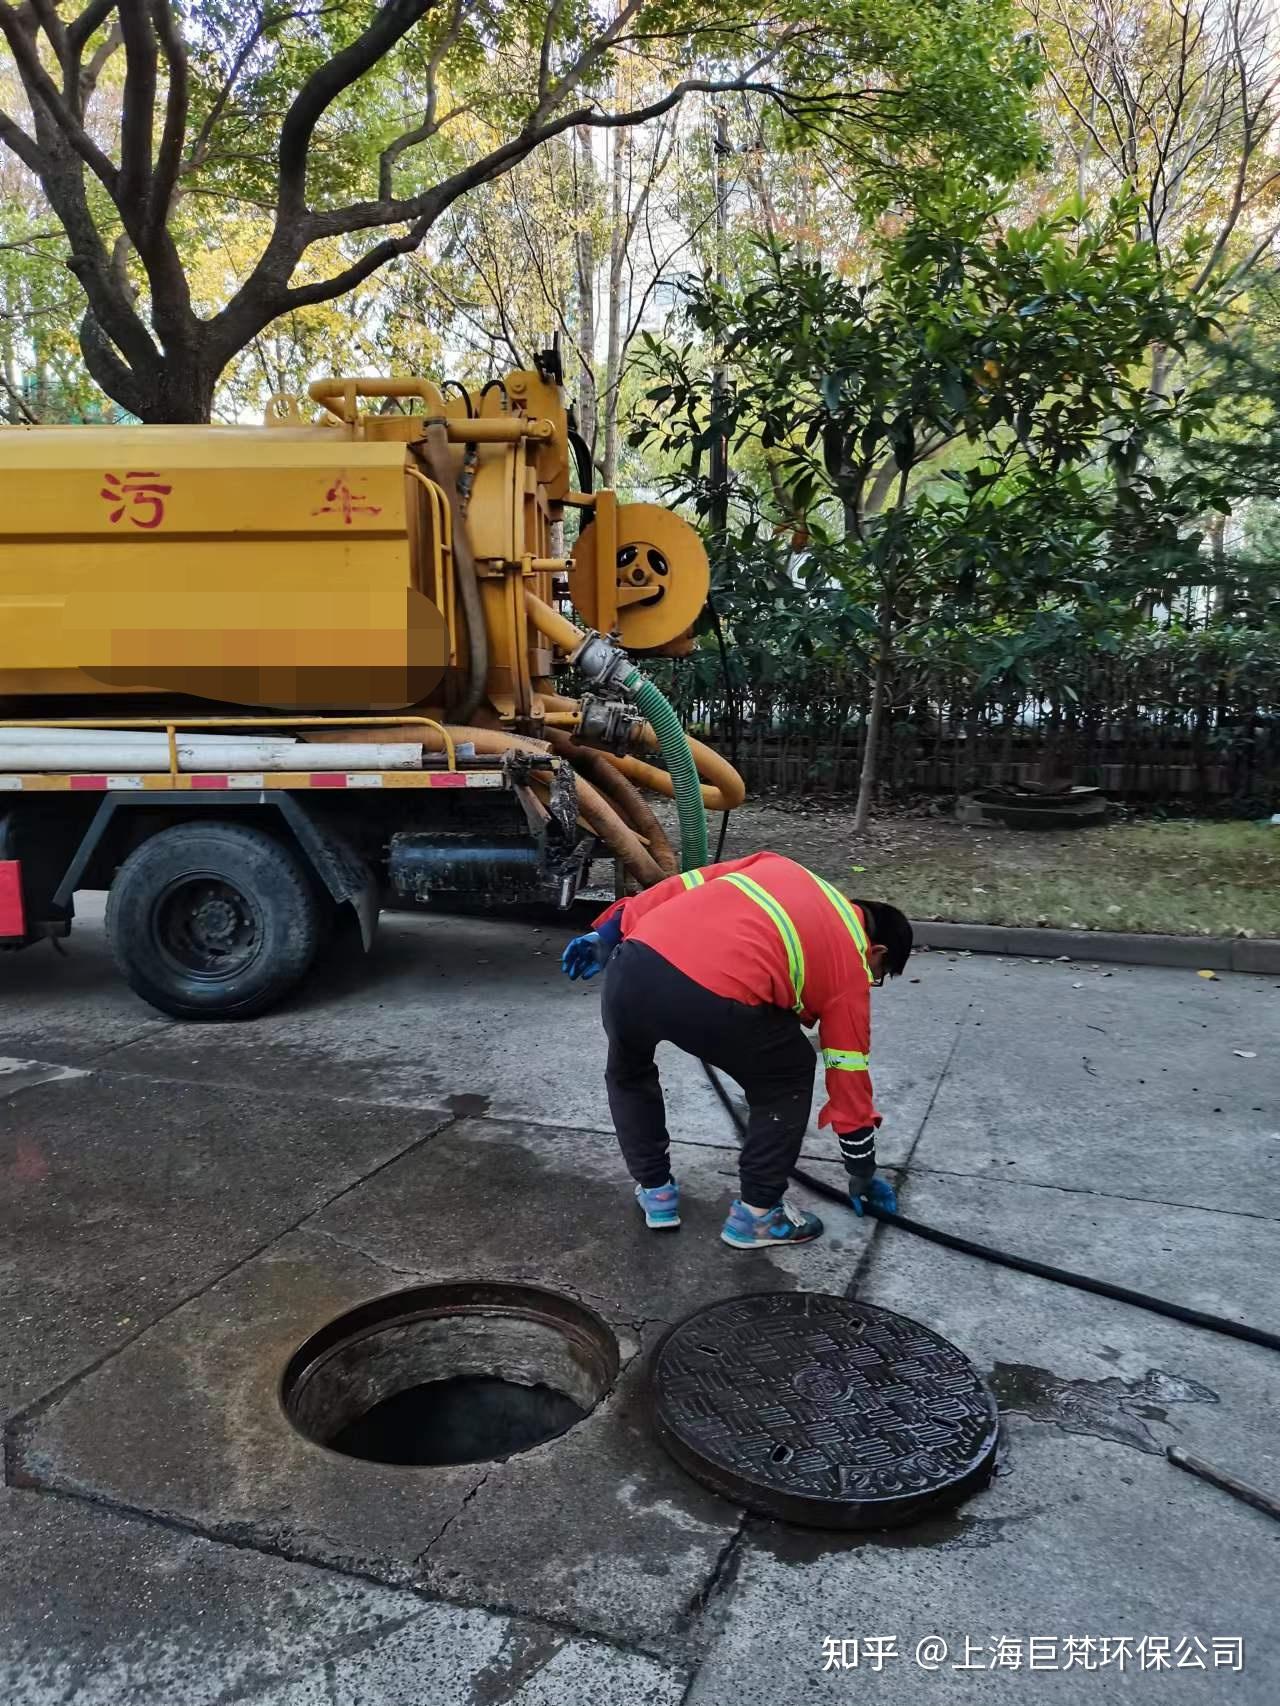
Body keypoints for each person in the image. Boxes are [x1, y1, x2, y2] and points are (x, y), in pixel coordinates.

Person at [561, 851, 912, 1250]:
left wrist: (605, 934)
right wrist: (862, 1170)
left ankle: (656, 1193)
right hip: (713, 996)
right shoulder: (852, 962)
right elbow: (848, 1077)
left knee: (629, 1072)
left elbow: (682, 885)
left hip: (632, 966)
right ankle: (758, 1216)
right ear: (878, 951)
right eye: (879, 977)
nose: (871, 982)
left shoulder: (779, 866)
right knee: (789, 1073)